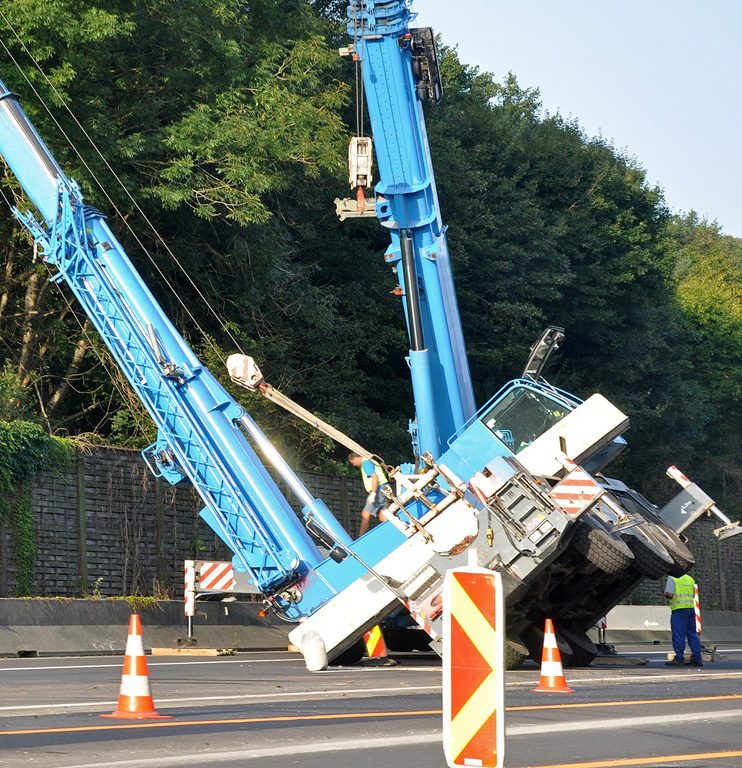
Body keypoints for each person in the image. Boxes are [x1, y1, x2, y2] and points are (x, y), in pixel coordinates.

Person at [664, 572, 702, 667]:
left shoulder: (672, 578)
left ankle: (679, 658)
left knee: (678, 635)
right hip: (690, 609)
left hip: (678, 610)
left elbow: (670, 594)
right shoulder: (690, 579)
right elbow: (693, 595)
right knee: (692, 634)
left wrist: (665, 594)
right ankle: (697, 659)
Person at [348, 452, 389, 537]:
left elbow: (375, 478)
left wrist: (373, 493)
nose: (354, 465)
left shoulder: (365, 463)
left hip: (378, 490)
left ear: (356, 458)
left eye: (353, 463)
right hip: (384, 488)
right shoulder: (371, 460)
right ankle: (392, 532)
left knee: (365, 514)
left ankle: (360, 539)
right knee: (383, 516)